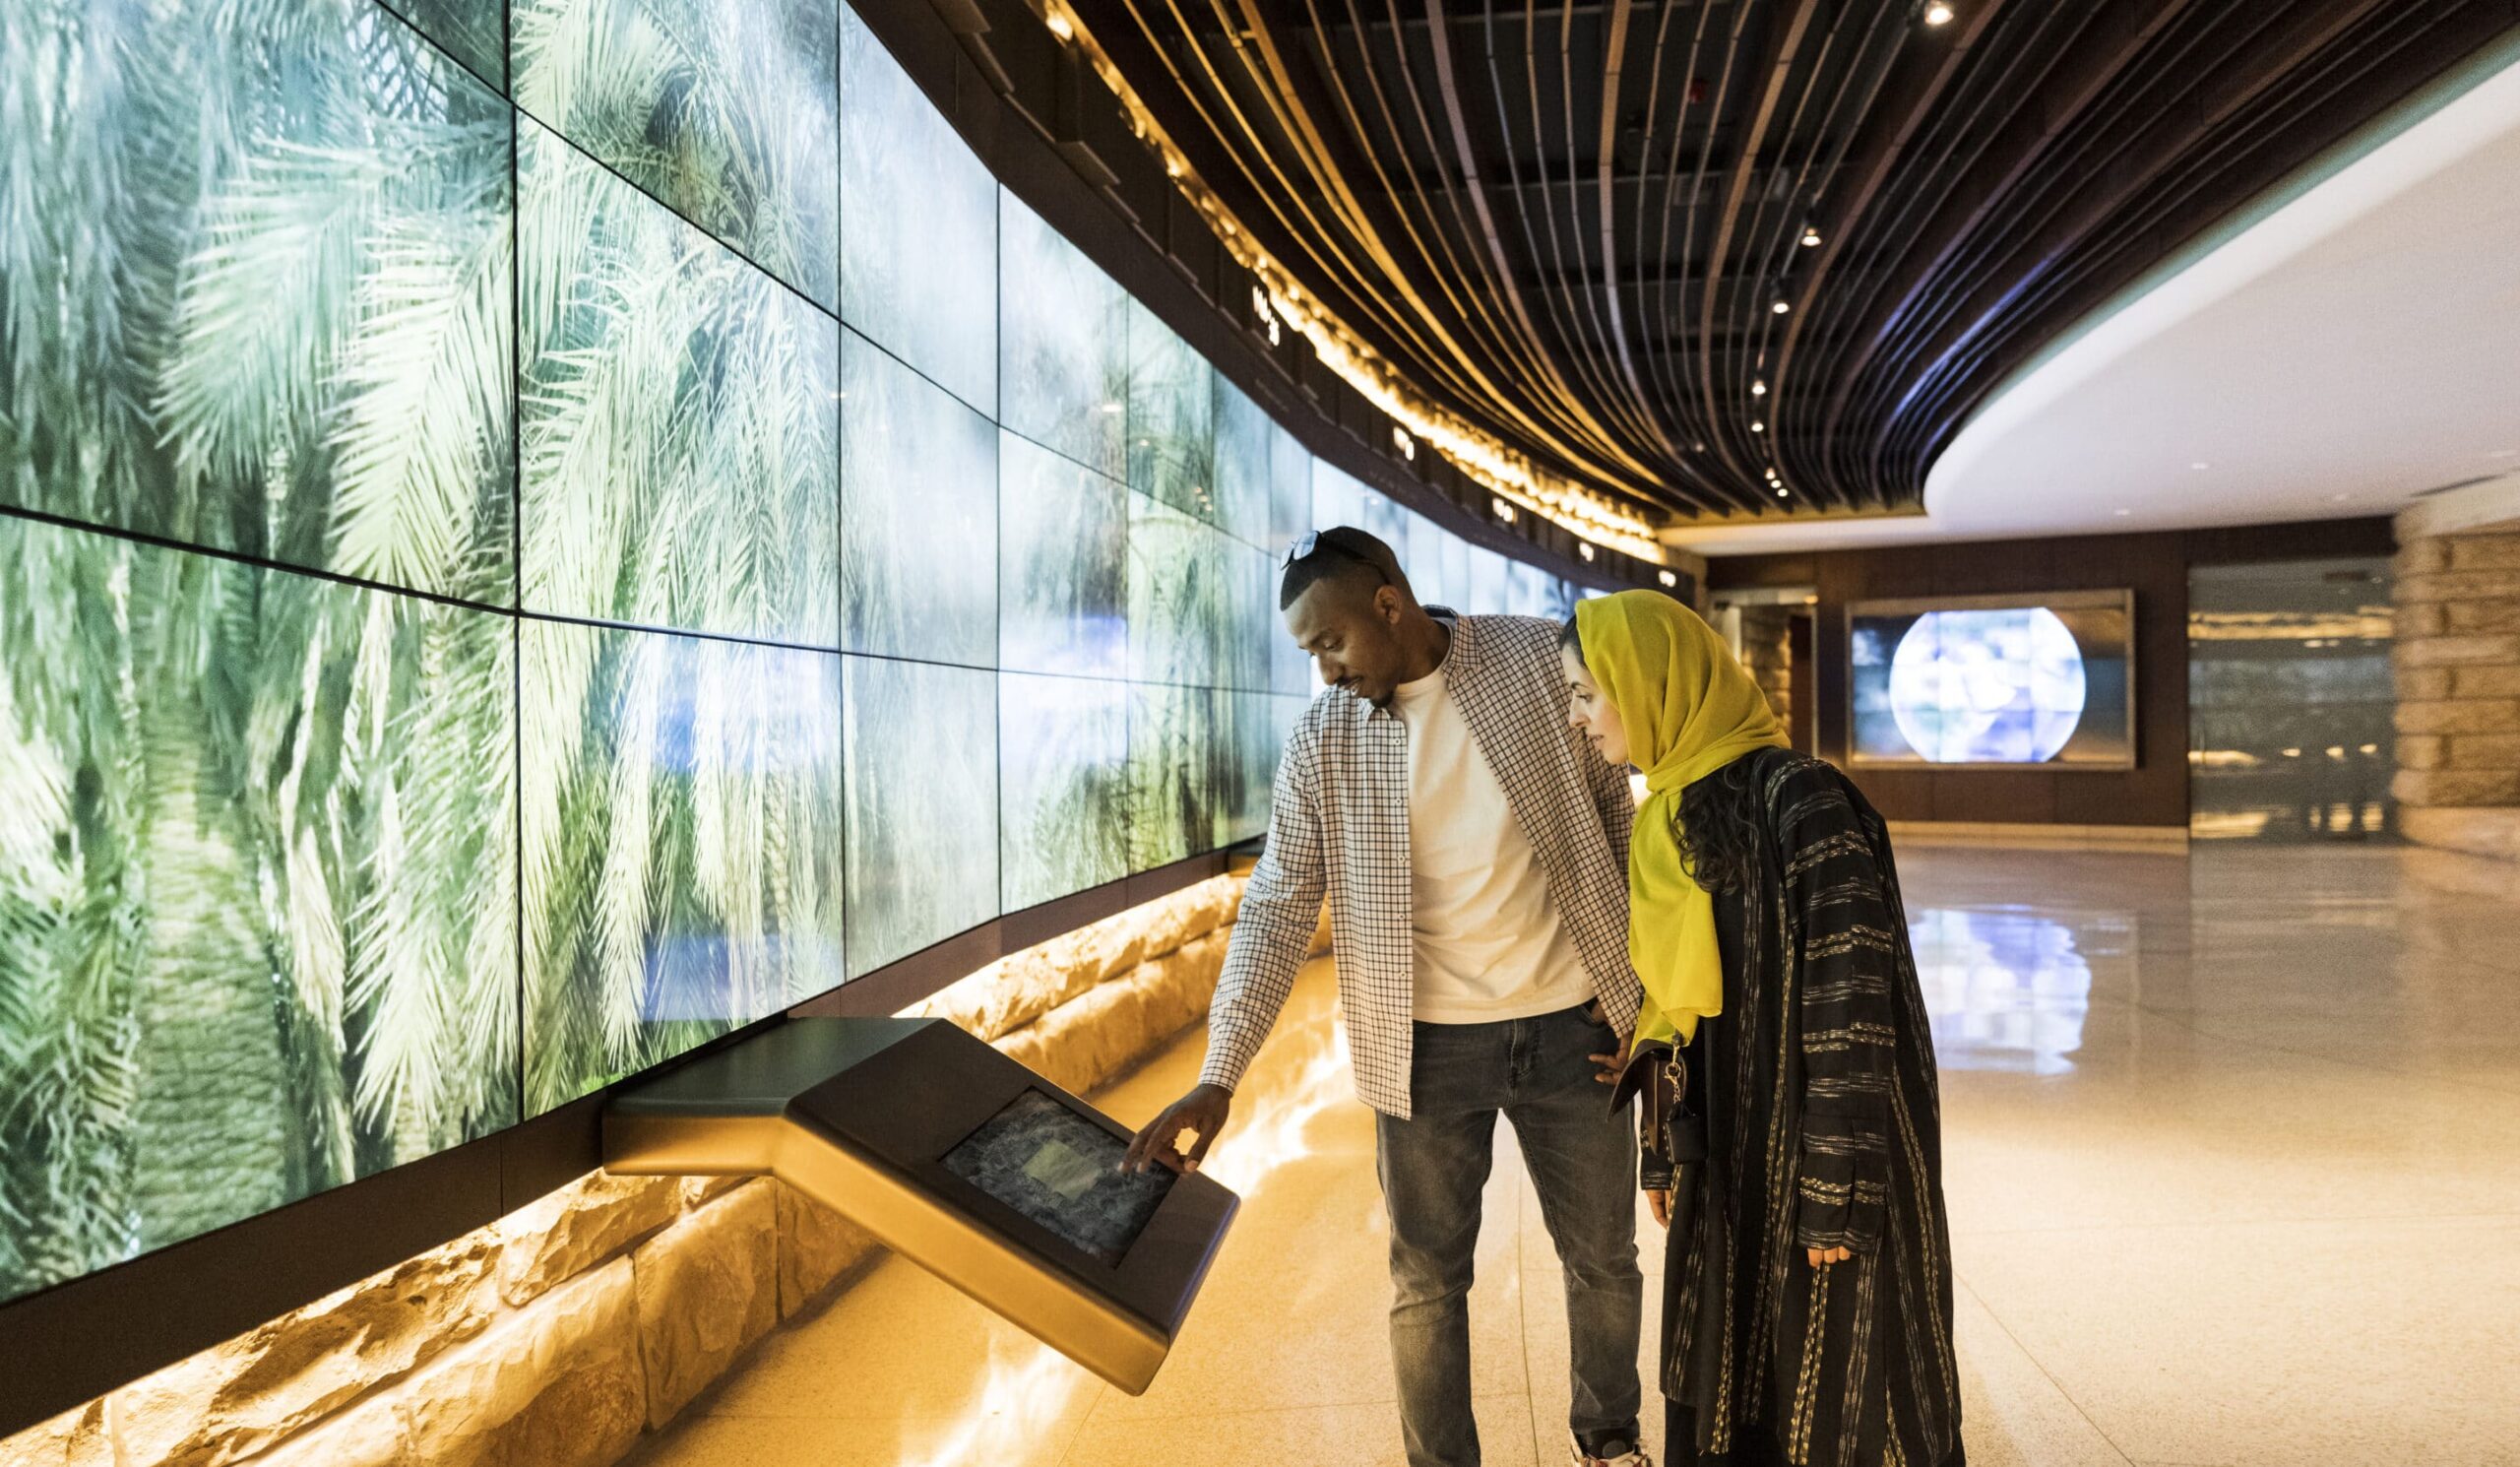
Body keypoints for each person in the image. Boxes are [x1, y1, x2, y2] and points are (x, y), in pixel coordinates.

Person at [1125, 527, 1656, 1467]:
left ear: (1387, 603)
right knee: (1426, 1283)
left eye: (1330, 644)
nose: (1325, 673)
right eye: (1309, 656)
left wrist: (1645, 1002)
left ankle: (1608, 1441)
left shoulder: (1536, 663)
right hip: (1425, 1049)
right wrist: (1220, 1075)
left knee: (1604, 1260)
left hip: (1576, 1026)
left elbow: (1624, 825)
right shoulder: (1325, 739)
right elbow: (1279, 906)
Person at [1559, 591, 1964, 1467]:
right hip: (1728, 1158)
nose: (1579, 717)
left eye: (1589, 693)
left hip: (1821, 1152)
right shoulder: (1663, 819)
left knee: (1841, 1386)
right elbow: (1670, 1013)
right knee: (1732, 1376)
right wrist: (1663, 1149)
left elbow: (1854, 1004)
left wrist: (1835, 1190)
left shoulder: (1802, 799)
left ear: (1652, 683)